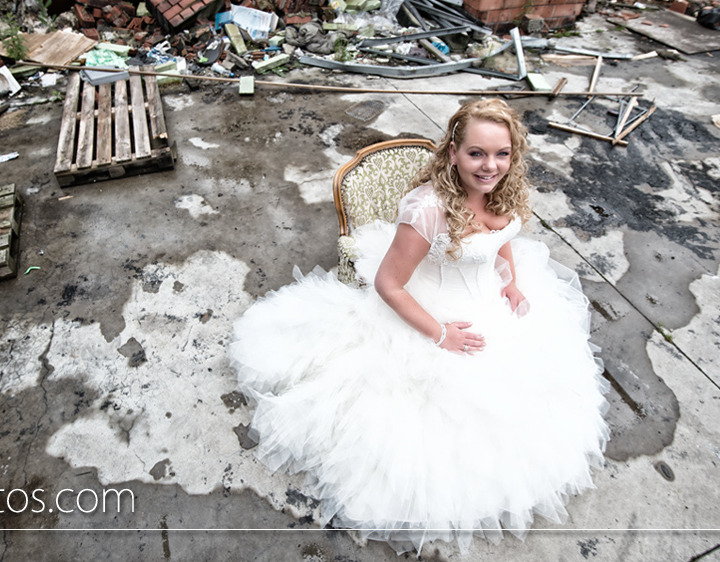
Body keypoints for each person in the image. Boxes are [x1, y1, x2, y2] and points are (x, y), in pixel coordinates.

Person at [228, 99, 610, 555]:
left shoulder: (503, 189)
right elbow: (389, 285)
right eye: (476, 154)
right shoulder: (427, 210)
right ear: (453, 152)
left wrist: (511, 282)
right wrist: (441, 333)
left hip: (487, 297)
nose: (490, 166)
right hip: (430, 309)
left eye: (502, 154)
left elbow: (501, 238)